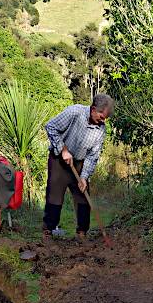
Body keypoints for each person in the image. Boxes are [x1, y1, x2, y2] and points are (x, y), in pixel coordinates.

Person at [42, 93, 115, 241]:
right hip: (59, 160)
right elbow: (50, 127)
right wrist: (63, 149)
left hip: (80, 162)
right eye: (101, 115)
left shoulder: (101, 130)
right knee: (54, 196)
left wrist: (84, 177)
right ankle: (48, 229)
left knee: (83, 195)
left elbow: (93, 156)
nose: (103, 120)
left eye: (106, 118)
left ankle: (82, 232)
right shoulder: (74, 112)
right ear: (93, 108)